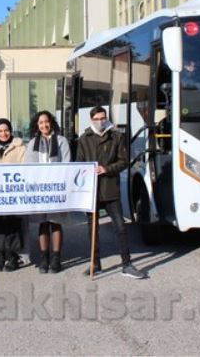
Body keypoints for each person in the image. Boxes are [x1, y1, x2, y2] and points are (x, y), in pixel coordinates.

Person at [76, 106, 146, 279]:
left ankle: (127, 264)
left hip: (110, 189)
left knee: (120, 227)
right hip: (92, 191)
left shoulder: (116, 137)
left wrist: (106, 169)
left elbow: (123, 161)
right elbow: (79, 162)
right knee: (93, 229)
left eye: (103, 118)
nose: (101, 121)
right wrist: (88, 171)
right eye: (97, 118)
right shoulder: (84, 139)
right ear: (91, 120)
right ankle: (96, 263)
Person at [25, 110, 71, 274]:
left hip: (56, 187)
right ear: (37, 126)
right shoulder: (31, 144)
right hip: (39, 190)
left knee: (55, 222)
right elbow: (29, 168)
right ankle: (44, 258)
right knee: (43, 223)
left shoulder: (61, 141)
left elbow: (66, 164)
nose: (44, 125)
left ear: (51, 122)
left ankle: (56, 259)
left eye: (46, 122)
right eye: (40, 123)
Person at [0, 118, 26, 272]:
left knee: (12, 225)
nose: (3, 133)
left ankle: (13, 257)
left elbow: (24, 168)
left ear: (11, 130)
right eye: (0, 131)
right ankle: (0, 257)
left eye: (6, 130)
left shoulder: (20, 147)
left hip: (13, 193)